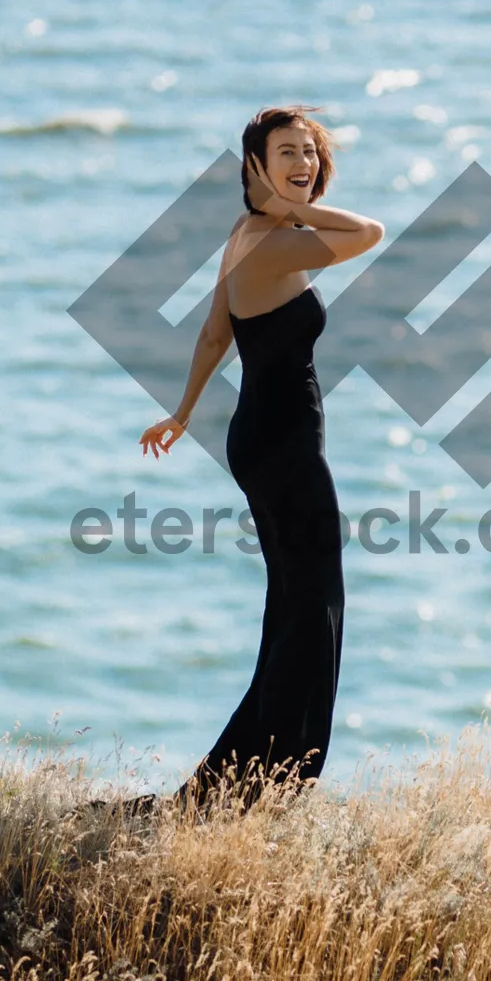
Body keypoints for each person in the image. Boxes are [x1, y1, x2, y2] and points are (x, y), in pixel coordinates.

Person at [138, 105, 384, 812]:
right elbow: (370, 232)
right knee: (314, 607)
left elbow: (215, 334)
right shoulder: (271, 243)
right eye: (286, 153)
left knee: (296, 606)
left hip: (264, 437)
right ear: (255, 166)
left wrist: (183, 413)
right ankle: (268, 781)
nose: (304, 163)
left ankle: (245, 783)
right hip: (282, 444)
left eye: (311, 151)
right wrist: (286, 209)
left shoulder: (250, 237)